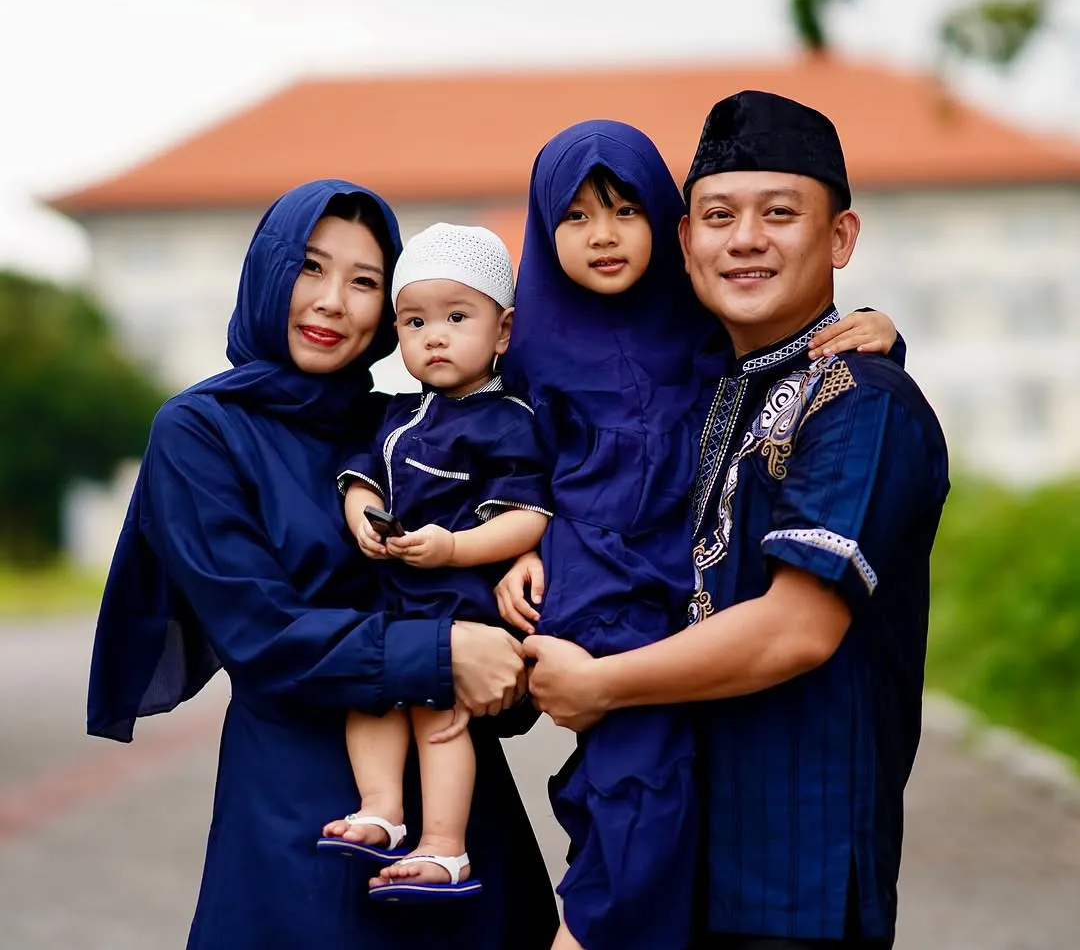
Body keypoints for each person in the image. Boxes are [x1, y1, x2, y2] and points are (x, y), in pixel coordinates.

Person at [523, 92, 950, 950]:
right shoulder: (710, 391)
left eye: (780, 213)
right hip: (684, 872)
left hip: (797, 882)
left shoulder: (861, 401)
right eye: (718, 215)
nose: (745, 238)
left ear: (840, 239)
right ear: (686, 242)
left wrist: (600, 685)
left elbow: (796, 630)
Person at [86, 182, 559, 950]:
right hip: (302, 815)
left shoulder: (407, 422)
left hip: (460, 833)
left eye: (366, 281)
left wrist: (522, 558)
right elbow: (260, 631)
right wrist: (440, 652)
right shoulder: (201, 432)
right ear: (269, 272)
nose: (334, 302)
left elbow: (516, 526)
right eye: (310, 268)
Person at [318, 222, 552, 900]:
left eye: (457, 316)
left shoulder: (506, 420)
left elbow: (529, 517)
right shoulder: (394, 413)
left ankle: (446, 847)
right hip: (392, 600)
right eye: (415, 321)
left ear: (503, 331)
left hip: (457, 604)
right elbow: (360, 472)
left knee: (435, 716)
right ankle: (381, 809)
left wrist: (454, 548)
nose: (435, 336)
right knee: (371, 695)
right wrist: (361, 510)